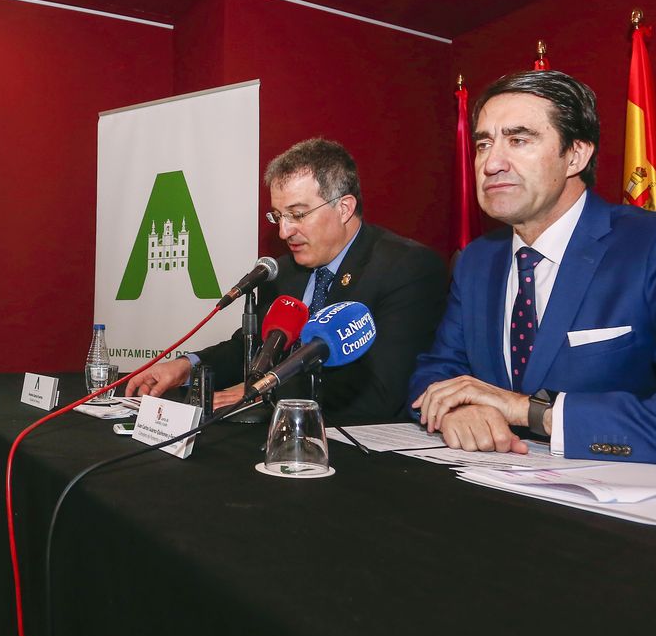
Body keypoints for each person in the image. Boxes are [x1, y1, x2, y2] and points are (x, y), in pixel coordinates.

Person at [408, 70, 656, 474]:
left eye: (519, 140)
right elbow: (436, 370)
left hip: (628, 512)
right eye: (483, 144)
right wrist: (456, 410)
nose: (491, 163)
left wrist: (530, 413)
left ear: (576, 155)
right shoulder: (477, 260)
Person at [126, 137, 446, 424]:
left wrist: (263, 392)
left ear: (344, 208)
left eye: (297, 214)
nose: (283, 232)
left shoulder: (406, 268)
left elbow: (380, 392)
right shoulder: (284, 271)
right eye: (278, 216)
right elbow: (249, 350)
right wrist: (187, 366)